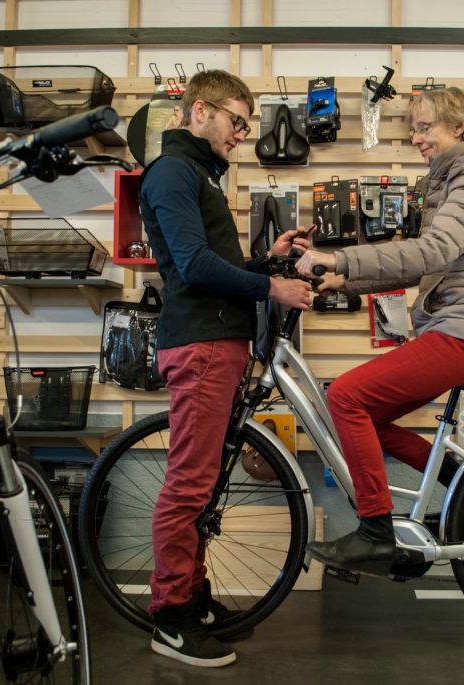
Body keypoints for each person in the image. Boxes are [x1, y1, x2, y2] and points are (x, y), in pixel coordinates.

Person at [297, 86, 464, 572]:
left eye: (425, 128)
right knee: (368, 418)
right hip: (458, 326)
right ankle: (463, 483)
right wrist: (347, 277)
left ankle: (375, 532)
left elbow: (431, 253)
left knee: (346, 397)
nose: (417, 139)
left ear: (460, 129)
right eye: (413, 131)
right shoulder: (451, 182)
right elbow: (423, 267)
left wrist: (340, 254)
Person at [139, 69, 313, 668]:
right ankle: (170, 617)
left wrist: (267, 259)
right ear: (199, 111)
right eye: (236, 120)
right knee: (190, 486)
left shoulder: (196, 175)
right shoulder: (173, 172)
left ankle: (193, 596)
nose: (242, 133)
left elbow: (210, 261)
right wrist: (271, 287)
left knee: (202, 485)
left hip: (217, 342)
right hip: (204, 344)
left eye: (246, 124)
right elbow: (192, 267)